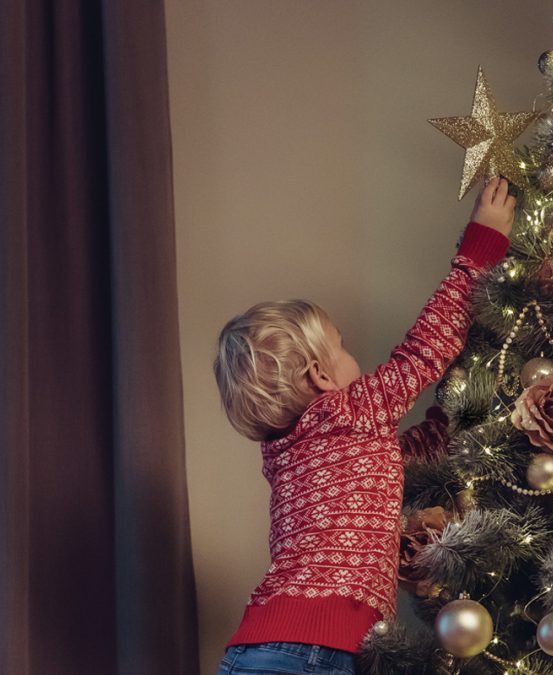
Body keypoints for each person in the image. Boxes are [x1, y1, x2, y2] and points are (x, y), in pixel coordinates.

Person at [213, 177, 514, 675]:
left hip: (255, 646)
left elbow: (389, 458)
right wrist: (481, 246)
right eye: (343, 346)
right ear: (322, 376)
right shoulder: (349, 409)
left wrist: (451, 417)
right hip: (320, 648)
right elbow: (423, 349)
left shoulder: (293, 450)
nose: (357, 362)